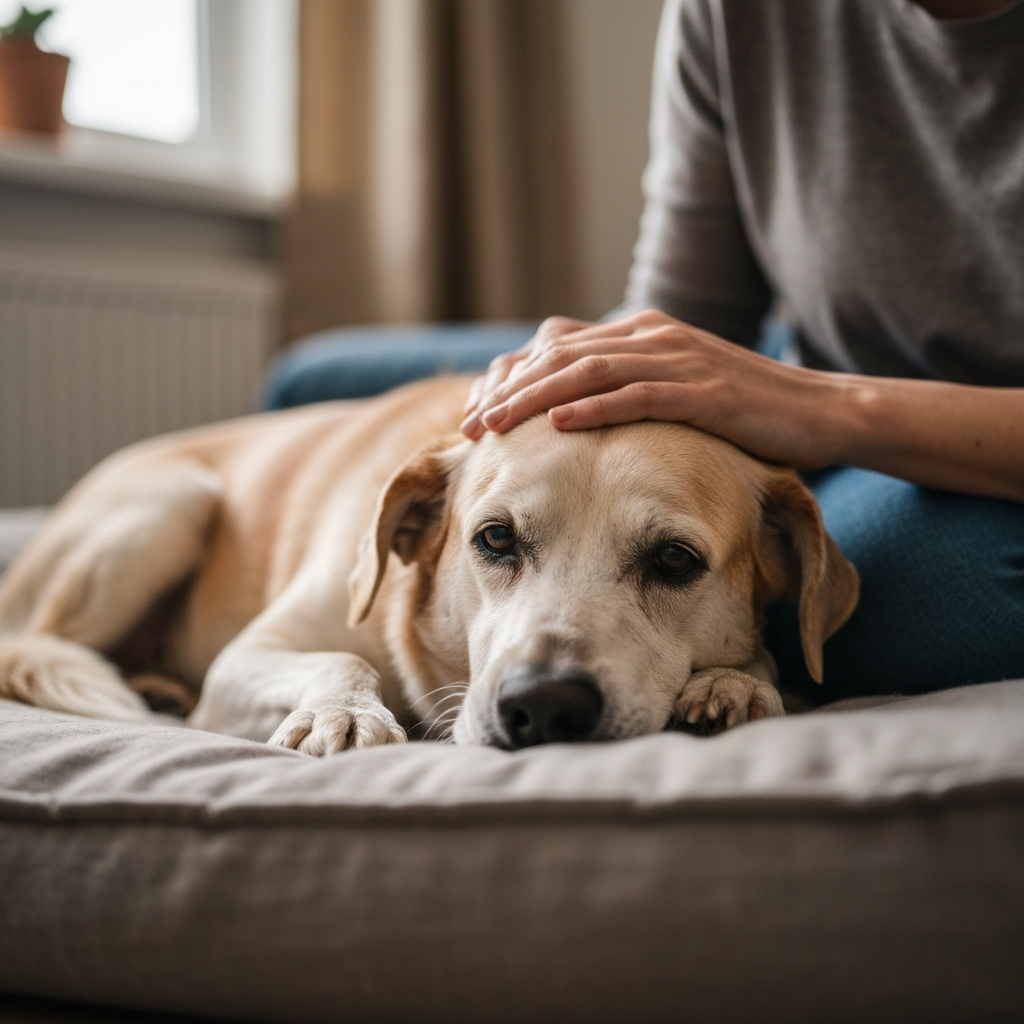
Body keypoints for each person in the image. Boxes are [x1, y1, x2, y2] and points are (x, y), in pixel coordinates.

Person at [460, 0, 1024, 703]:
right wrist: (575, 364)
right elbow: (691, 310)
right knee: (317, 377)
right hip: (801, 385)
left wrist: (823, 406)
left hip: (948, 449)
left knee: (924, 602)